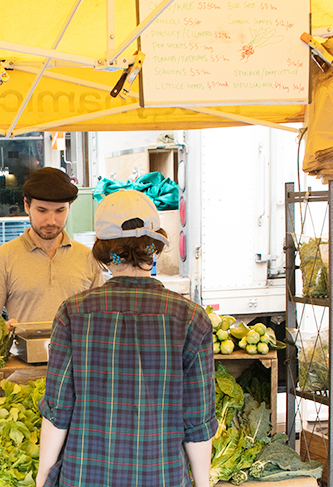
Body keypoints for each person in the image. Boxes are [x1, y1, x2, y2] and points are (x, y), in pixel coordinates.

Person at [36, 190, 217, 487]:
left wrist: (43, 478)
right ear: (155, 246)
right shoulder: (190, 318)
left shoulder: (73, 313)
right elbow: (197, 421)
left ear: (102, 250)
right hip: (162, 477)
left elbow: (58, 411)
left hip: (85, 476)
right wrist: (203, 484)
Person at [0, 167, 103, 325]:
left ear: (69, 208)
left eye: (60, 211)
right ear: (26, 205)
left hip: (77, 350)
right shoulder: (3, 258)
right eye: (42, 210)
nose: (51, 220)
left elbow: (101, 319)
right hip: (24, 350)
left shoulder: (88, 257)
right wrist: (3, 328)